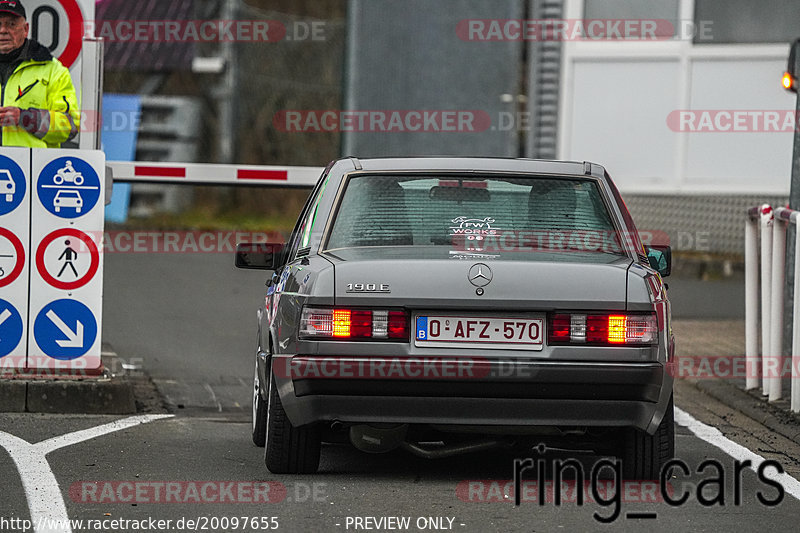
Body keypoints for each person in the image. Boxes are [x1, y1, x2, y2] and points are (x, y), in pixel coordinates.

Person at [0, 1, 79, 148]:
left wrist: (25, 118)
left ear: (26, 29)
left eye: (11, 24)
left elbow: (70, 126)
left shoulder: (53, 70)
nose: (3, 30)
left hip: (33, 168)